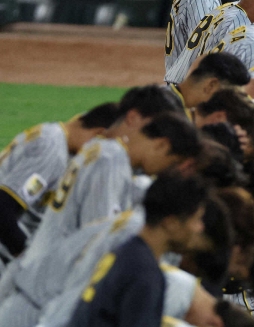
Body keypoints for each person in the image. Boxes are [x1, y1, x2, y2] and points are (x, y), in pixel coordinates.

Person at [17, 87, 202, 270]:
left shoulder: (101, 150)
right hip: (44, 281)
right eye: (157, 129)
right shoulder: (110, 158)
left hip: (41, 272)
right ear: (133, 118)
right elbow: (100, 241)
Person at [70, 169, 207, 327]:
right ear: (171, 223)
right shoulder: (145, 276)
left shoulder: (126, 252)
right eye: (197, 219)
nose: (200, 228)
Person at [0, 102, 119, 263]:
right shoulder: (52, 151)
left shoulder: (53, 134)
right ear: (99, 134)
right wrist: (26, 260)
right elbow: (3, 208)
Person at [167, 52, 250, 118]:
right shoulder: (168, 114)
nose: (227, 106)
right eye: (228, 96)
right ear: (211, 86)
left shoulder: (173, 104)